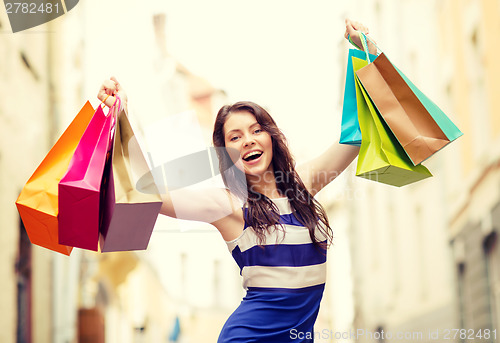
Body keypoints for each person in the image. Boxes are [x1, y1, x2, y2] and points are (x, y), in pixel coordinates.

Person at [98, 19, 375, 343]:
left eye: (256, 130)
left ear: (271, 136)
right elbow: (149, 191)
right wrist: (122, 116)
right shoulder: (228, 204)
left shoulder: (302, 184)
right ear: (225, 152)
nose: (248, 140)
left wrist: (365, 54)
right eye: (235, 136)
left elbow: (355, 138)